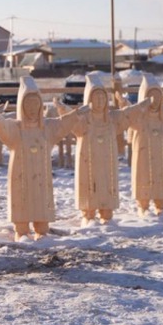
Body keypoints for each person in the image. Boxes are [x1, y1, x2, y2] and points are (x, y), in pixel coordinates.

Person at [0, 77, 78, 241]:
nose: (31, 108)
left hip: (41, 177)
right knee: (21, 203)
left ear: (40, 105)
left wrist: (74, 115)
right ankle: (21, 230)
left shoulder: (47, 127)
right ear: (22, 106)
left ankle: (41, 229)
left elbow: (62, 124)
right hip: (20, 175)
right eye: (27, 104)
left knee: (41, 207)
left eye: (35, 103)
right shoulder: (15, 128)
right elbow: (2, 127)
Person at [63, 72, 125, 224]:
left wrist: (137, 107)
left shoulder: (111, 119)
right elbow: (69, 123)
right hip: (88, 163)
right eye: (96, 97)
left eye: (102, 98)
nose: (99, 101)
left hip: (106, 165)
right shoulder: (83, 120)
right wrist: (65, 111)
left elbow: (127, 115)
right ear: (89, 100)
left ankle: (106, 212)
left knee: (106, 186)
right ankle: (88, 214)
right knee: (88, 187)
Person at [119, 75, 163, 216]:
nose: (154, 100)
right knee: (143, 177)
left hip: (161, 157)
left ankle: (160, 205)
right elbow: (126, 115)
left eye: (158, 96)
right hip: (143, 156)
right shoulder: (139, 116)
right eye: (151, 96)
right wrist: (124, 103)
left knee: (160, 178)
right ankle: (143, 206)